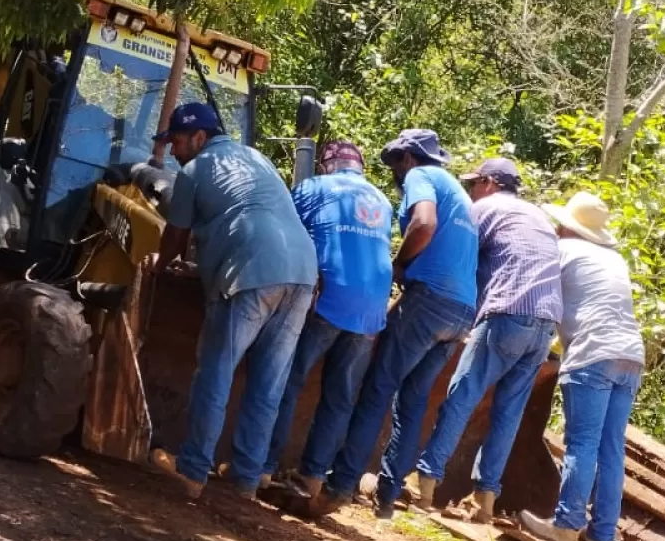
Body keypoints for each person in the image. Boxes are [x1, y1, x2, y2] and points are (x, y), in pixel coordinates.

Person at [149, 102, 318, 500]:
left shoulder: (192, 172)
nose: (173, 152)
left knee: (216, 372)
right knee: (268, 383)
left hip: (250, 271)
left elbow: (175, 234)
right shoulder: (256, 158)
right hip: (302, 272)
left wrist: (159, 267)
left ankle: (192, 471)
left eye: (176, 142)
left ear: (199, 138)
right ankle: (245, 478)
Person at [309, 128, 478, 518]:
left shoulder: (422, 177)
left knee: (377, 387)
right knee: (414, 400)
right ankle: (387, 496)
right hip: (460, 311)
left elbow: (423, 223)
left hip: (430, 301)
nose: (394, 174)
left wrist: (397, 264)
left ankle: (340, 485)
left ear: (407, 157)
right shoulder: (459, 192)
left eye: (394, 164)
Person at [411, 158, 563, 520]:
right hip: (544, 324)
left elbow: (457, 256)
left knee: (460, 397)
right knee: (508, 413)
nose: (469, 190)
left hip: (507, 313)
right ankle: (485, 502)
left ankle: (425, 486)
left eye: (474, 183)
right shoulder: (539, 217)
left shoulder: (484, 208)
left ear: (491, 183)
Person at [263, 140, 394, 498]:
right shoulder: (382, 201)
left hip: (328, 298)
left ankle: (264, 466)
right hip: (371, 308)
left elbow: (281, 235)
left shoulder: (313, 187)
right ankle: (314, 477)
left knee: (288, 381)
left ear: (326, 165)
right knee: (340, 397)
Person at [520, 191, 644, 541]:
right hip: (630, 355)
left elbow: (537, 295)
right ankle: (601, 538)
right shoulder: (614, 259)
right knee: (611, 448)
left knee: (582, 443)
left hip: (593, 353)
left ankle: (566, 525)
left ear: (567, 227)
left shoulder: (564, 252)